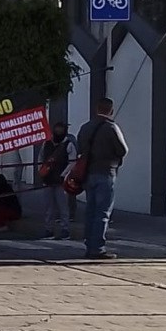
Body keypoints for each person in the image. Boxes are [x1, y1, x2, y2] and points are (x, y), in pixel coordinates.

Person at [77, 98, 128, 259]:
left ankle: (88, 244)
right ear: (111, 111)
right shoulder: (111, 128)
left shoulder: (85, 127)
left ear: (96, 108)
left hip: (88, 174)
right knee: (103, 212)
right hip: (106, 172)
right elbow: (122, 150)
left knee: (90, 211)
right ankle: (97, 248)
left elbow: (80, 148)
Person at [38, 122, 77, 239]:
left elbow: (73, 162)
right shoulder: (46, 143)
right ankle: (48, 229)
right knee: (48, 207)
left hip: (62, 181)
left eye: (61, 129)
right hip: (48, 179)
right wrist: (41, 172)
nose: (58, 131)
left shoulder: (69, 145)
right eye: (57, 129)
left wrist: (64, 175)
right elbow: (40, 158)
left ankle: (65, 230)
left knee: (63, 207)